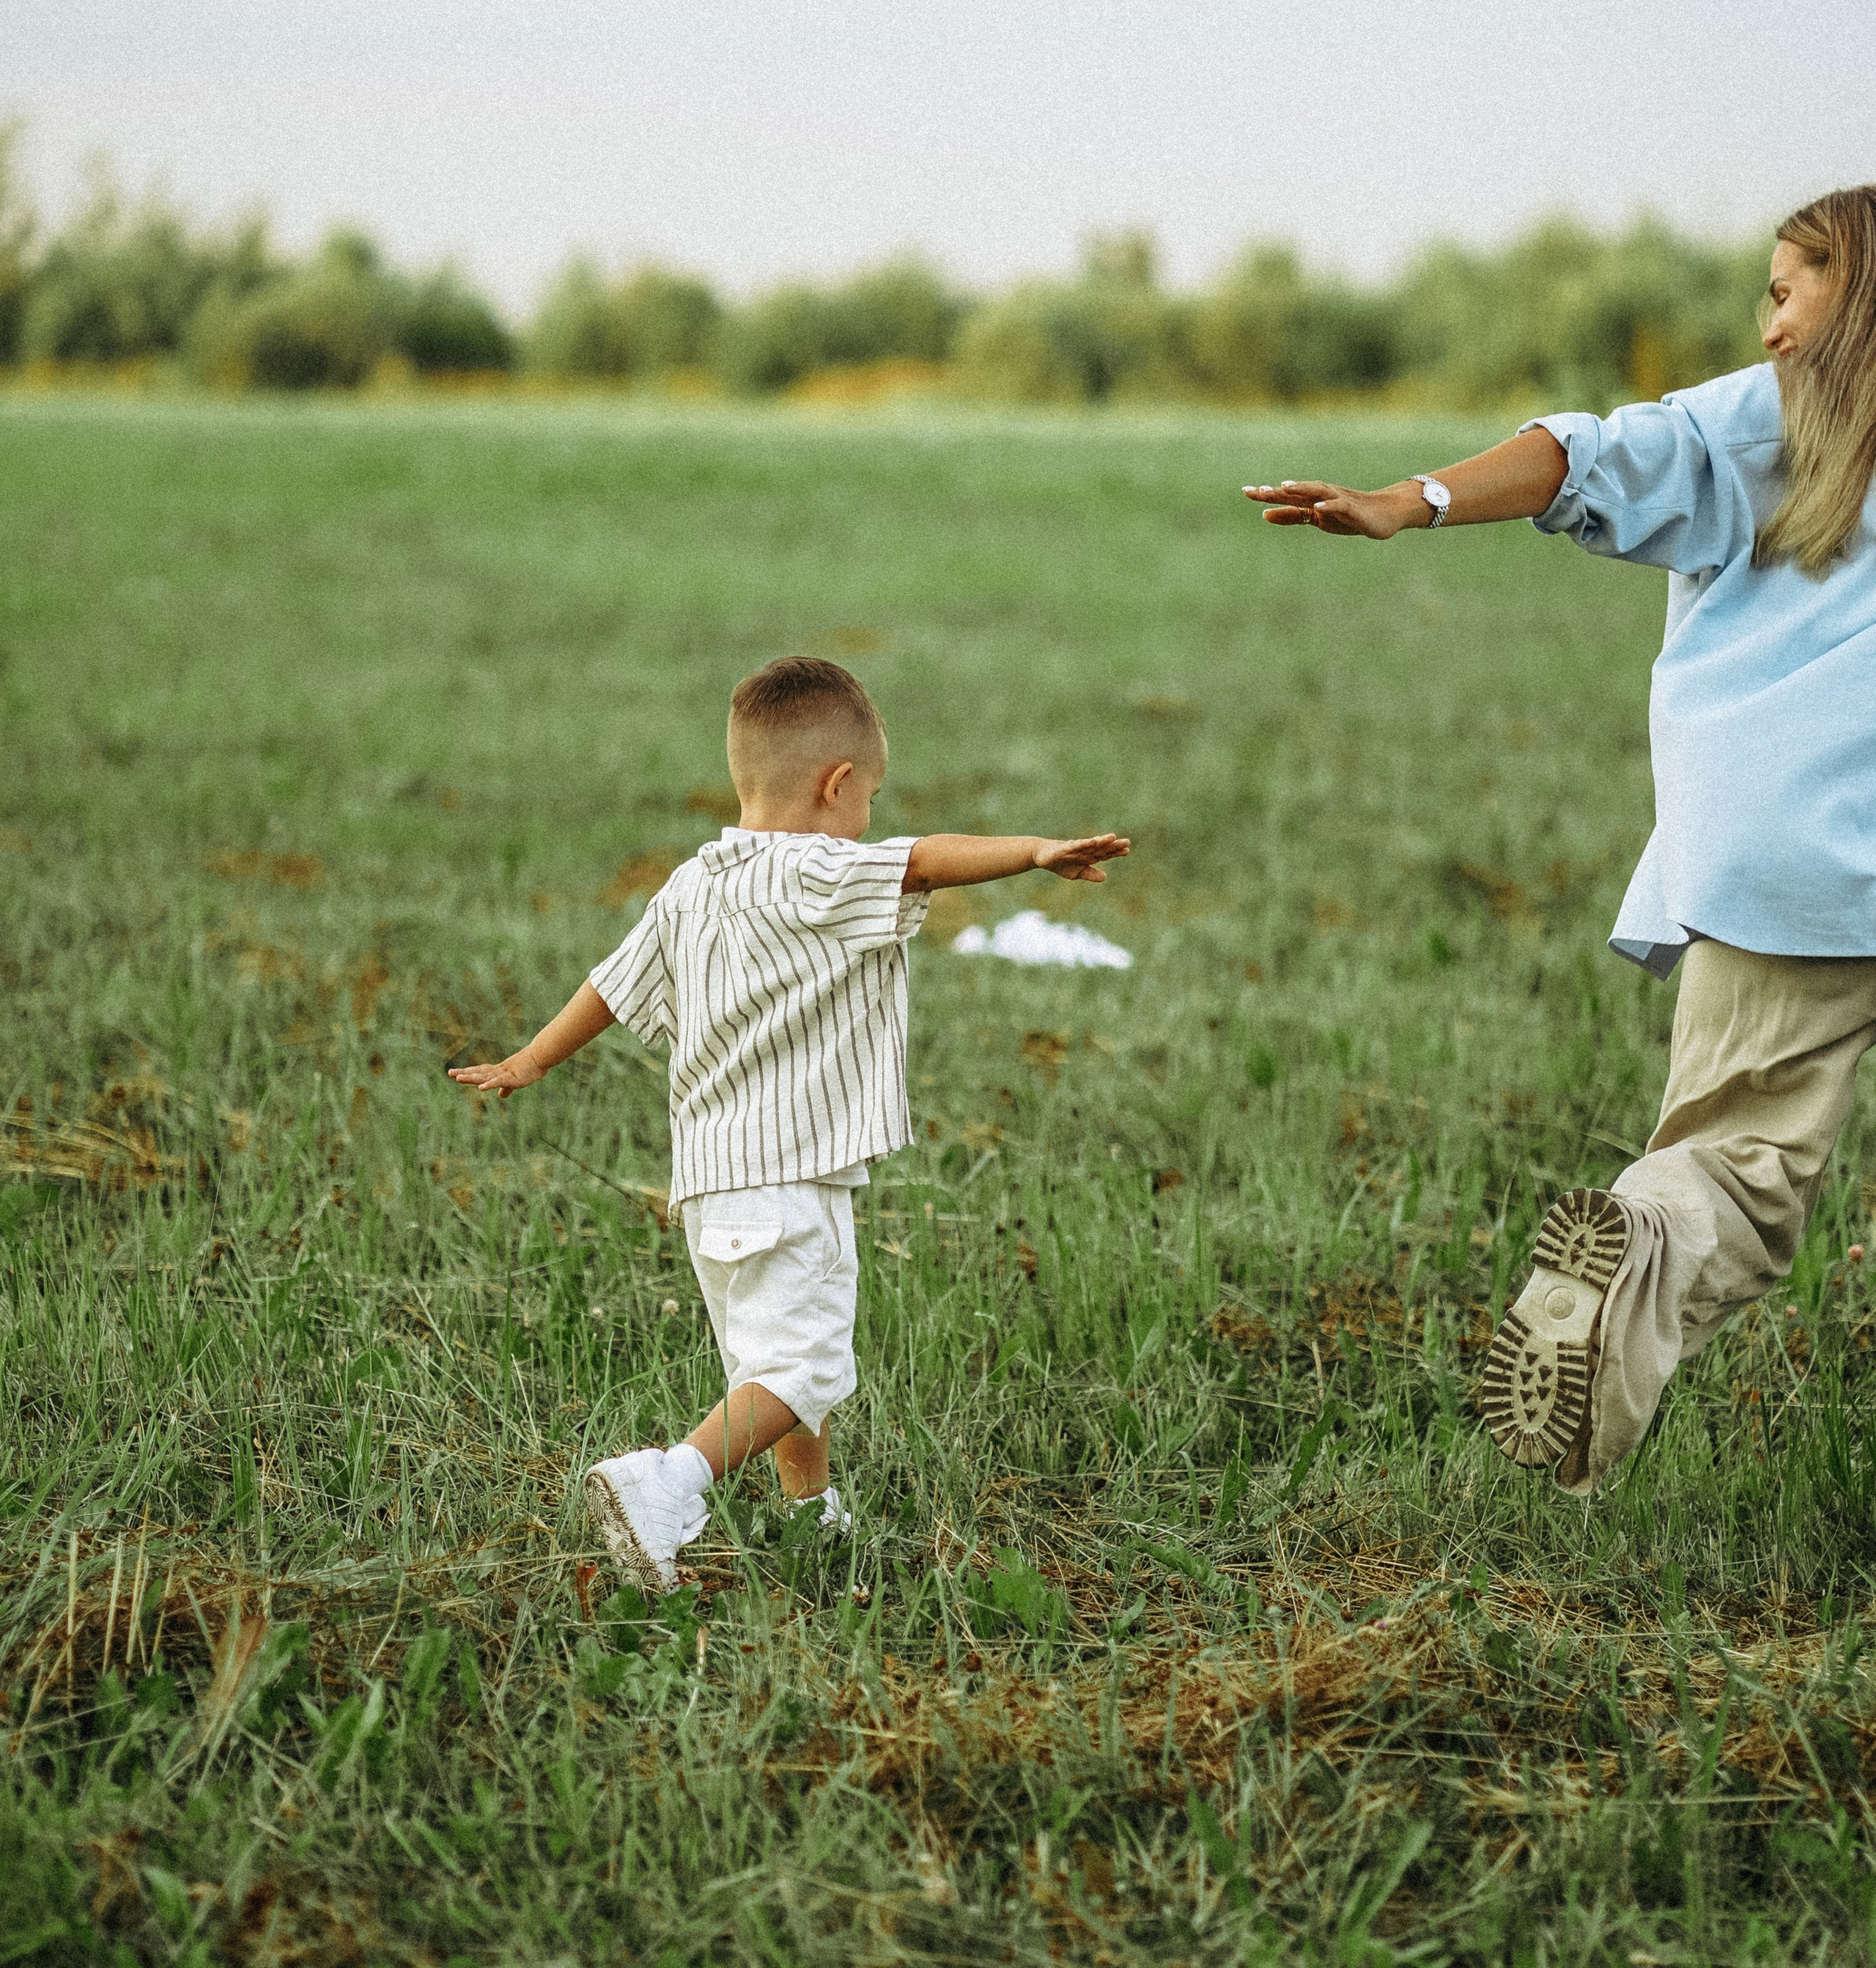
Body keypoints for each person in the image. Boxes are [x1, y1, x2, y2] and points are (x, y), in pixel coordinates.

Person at [1246, 184, 1876, 1494]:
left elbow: (1588, 453)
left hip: (1786, 857)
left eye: (1784, 290)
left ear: (1851, 290)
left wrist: (1413, 496)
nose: (1767, 328)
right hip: (1806, 855)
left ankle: (1635, 1250)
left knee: (1738, 1173)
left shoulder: (1776, 421)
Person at [449, 654, 1128, 1588]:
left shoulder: (695, 882)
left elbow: (612, 985)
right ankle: (665, 1481)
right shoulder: (821, 869)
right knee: (805, 1361)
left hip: (711, 1181)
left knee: (769, 1367)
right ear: (836, 785)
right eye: (869, 800)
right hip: (788, 1178)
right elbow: (923, 859)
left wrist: (530, 1058)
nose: (869, 823)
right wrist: (1036, 851)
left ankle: (810, 1514)